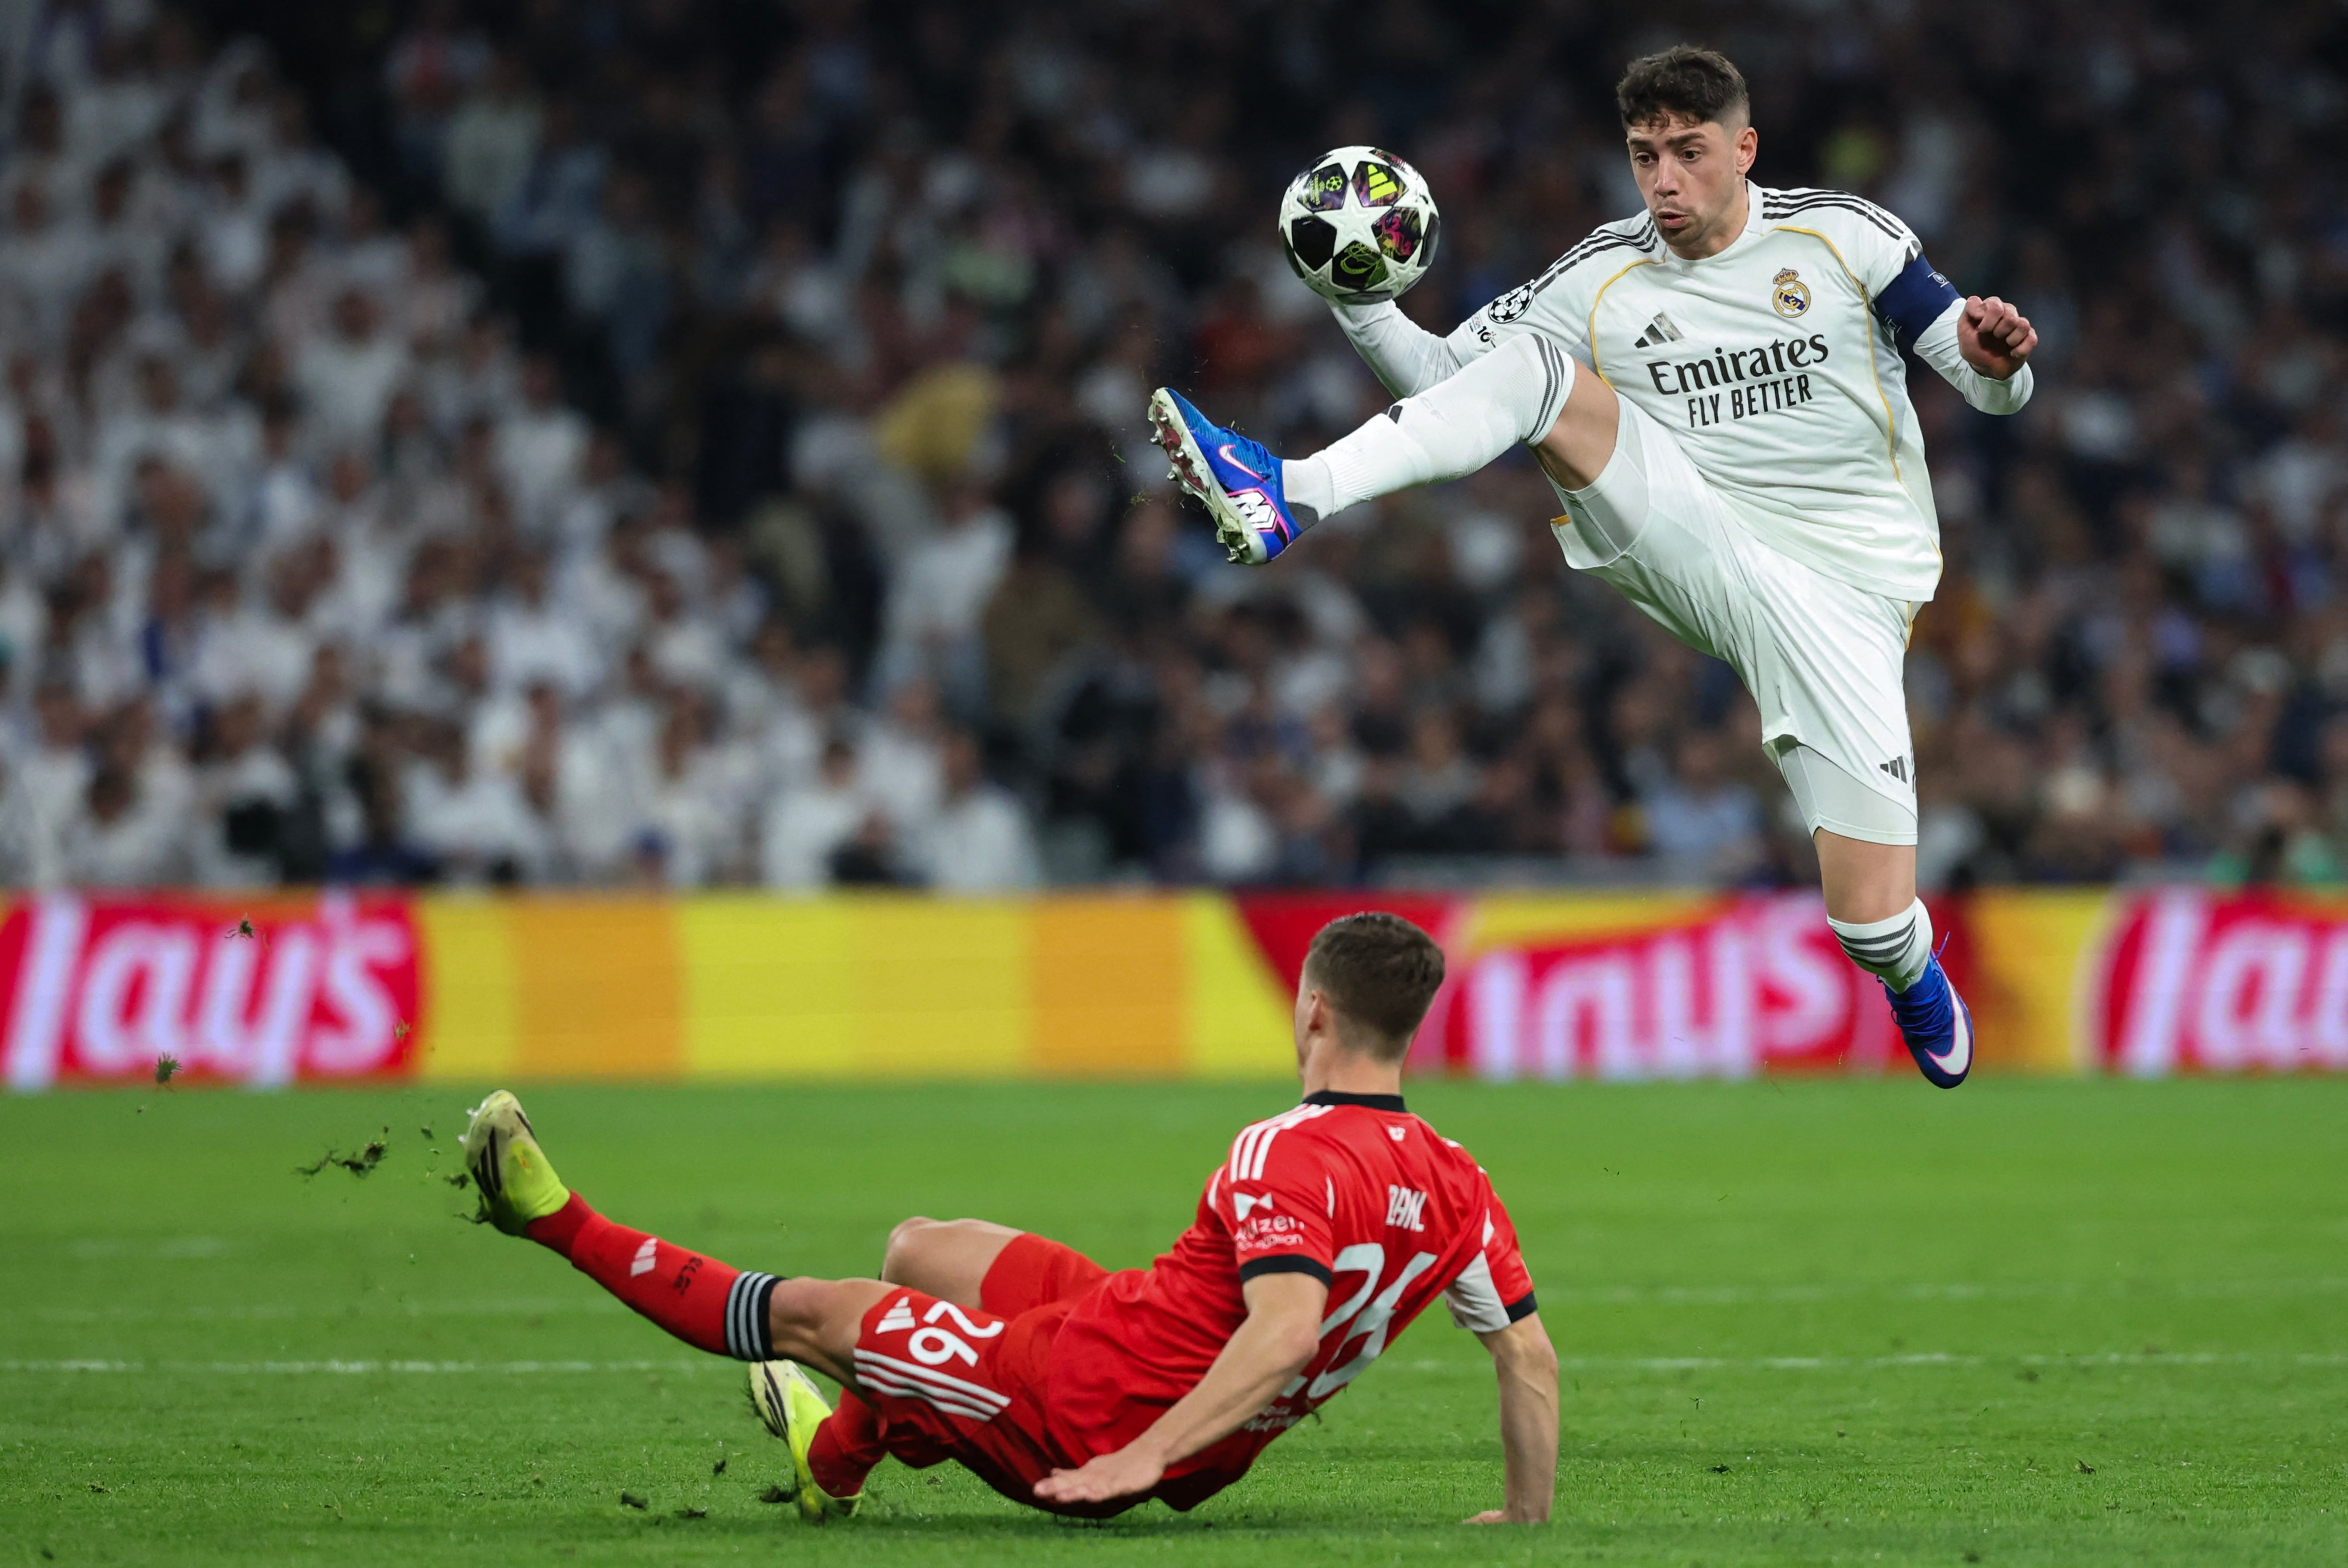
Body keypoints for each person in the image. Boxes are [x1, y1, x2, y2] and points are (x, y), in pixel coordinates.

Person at [1149, 46, 2034, 1089]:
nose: (1663, 179)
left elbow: (1977, 378)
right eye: (1644, 154)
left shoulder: (1847, 238)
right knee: (1532, 371)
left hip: (1850, 586)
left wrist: (2001, 367)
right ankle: (1288, 492)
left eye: (1689, 153)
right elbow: (1449, 381)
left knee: (1869, 918)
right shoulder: (1598, 276)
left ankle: (1910, 971)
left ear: (1743, 150)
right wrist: (1359, 303)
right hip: (1694, 530)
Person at [460, 912, 1557, 1523]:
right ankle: (838, 1458)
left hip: (1087, 1407)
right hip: (1147, 1346)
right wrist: (1526, 1518)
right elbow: (1528, 1356)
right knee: (918, 1247)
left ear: (1312, 1007)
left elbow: (1285, 1332)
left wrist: (1139, 1456)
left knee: (818, 1313)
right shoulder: (1461, 1179)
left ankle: (550, 1218)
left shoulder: (1283, 1148)